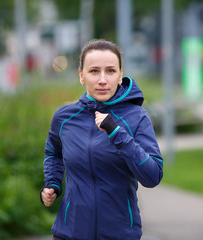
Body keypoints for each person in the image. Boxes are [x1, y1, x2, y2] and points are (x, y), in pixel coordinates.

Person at [40, 39, 164, 240]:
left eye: (111, 71)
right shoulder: (64, 117)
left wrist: (117, 133)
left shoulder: (137, 117)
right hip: (69, 233)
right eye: (94, 71)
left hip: (119, 235)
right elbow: (53, 152)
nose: (103, 79)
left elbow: (153, 175)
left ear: (120, 75)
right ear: (81, 76)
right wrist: (52, 183)